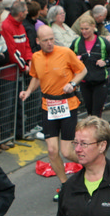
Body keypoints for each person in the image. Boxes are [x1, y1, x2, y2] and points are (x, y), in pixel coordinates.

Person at [19, 25, 87, 201]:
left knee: (67, 152)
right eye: (45, 40)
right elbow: (36, 77)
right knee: (51, 150)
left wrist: (72, 83)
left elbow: (82, 70)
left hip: (67, 105)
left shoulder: (65, 52)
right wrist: (28, 91)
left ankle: (93, 163)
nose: (50, 43)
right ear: (38, 41)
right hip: (48, 106)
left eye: (51, 39)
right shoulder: (36, 57)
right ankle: (65, 185)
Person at [71, 13, 110, 118]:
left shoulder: (102, 42)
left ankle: (98, 128)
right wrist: (76, 61)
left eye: (86, 29)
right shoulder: (76, 43)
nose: (84, 31)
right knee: (89, 112)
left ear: (93, 27)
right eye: (82, 29)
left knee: (96, 113)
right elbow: (69, 58)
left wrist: (105, 62)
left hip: (100, 81)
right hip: (85, 82)